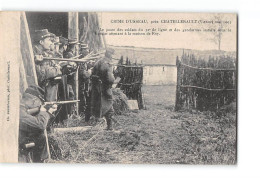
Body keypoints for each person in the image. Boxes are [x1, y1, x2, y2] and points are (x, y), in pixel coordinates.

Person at [19, 85, 57, 163]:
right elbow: (40, 125)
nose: (39, 105)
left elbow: (42, 125)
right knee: (40, 137)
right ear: (34, 100)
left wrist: (48, 113)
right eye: (39, 103)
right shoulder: (20, 111)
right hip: (18, 147)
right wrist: (44, 112)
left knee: (40, 137)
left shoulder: (22, 108)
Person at [32, 29, 62, 102]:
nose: (51, 43)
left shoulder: (43, 53)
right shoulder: (34, 53)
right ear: (41, 42)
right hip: (36, 92)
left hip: (44, 89)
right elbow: (42, 73)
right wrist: (57, 70)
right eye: (49, 40)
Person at [90, 48, 116, 130]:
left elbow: (93, 74)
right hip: (104, 88)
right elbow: (110, 78)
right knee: (108, 105)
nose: (112, 57)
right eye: (112, 54)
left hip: (97, 87)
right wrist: (113, 82)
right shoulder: (107, 63)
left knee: (99, 105)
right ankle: (107, 126)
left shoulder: (99, 61)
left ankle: (103, 124)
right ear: (109, 54)